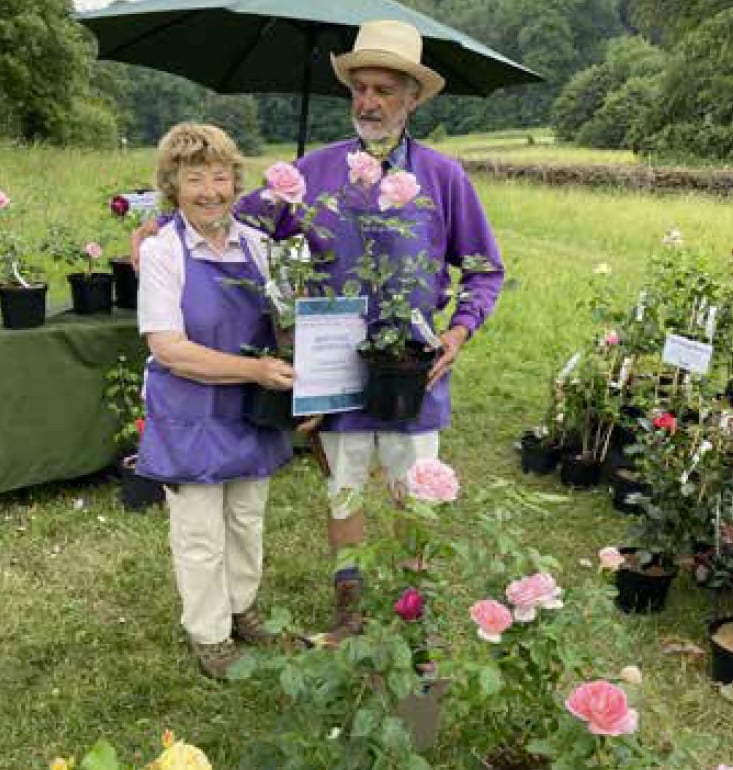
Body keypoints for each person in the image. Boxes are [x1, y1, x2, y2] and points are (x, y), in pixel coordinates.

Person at [132, 20, 504, 646]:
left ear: (412, 98)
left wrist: (460, 333)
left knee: (416, 495)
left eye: (385, 90)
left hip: (416, 367)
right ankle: (350, 606)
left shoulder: (444, 178)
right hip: (336, 368)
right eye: (360, 88)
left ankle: (413, 612)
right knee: (345, 489)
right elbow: (228, 210)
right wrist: (160, 222)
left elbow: (485, 269)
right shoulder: (318, 170)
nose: (369, 102)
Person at [136, 122, 295, 678]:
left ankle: (241, 607)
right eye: (194, 178)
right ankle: (209, 634)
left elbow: (289, 324)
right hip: (190, 413)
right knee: (201, 532)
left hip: (252, 410)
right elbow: (171, 349)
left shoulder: (261, 247)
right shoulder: (163, 252)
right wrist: (254, 368)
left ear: (236, 182)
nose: (210, 190)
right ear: (172, 186)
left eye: (221, 176)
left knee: (247, 517)